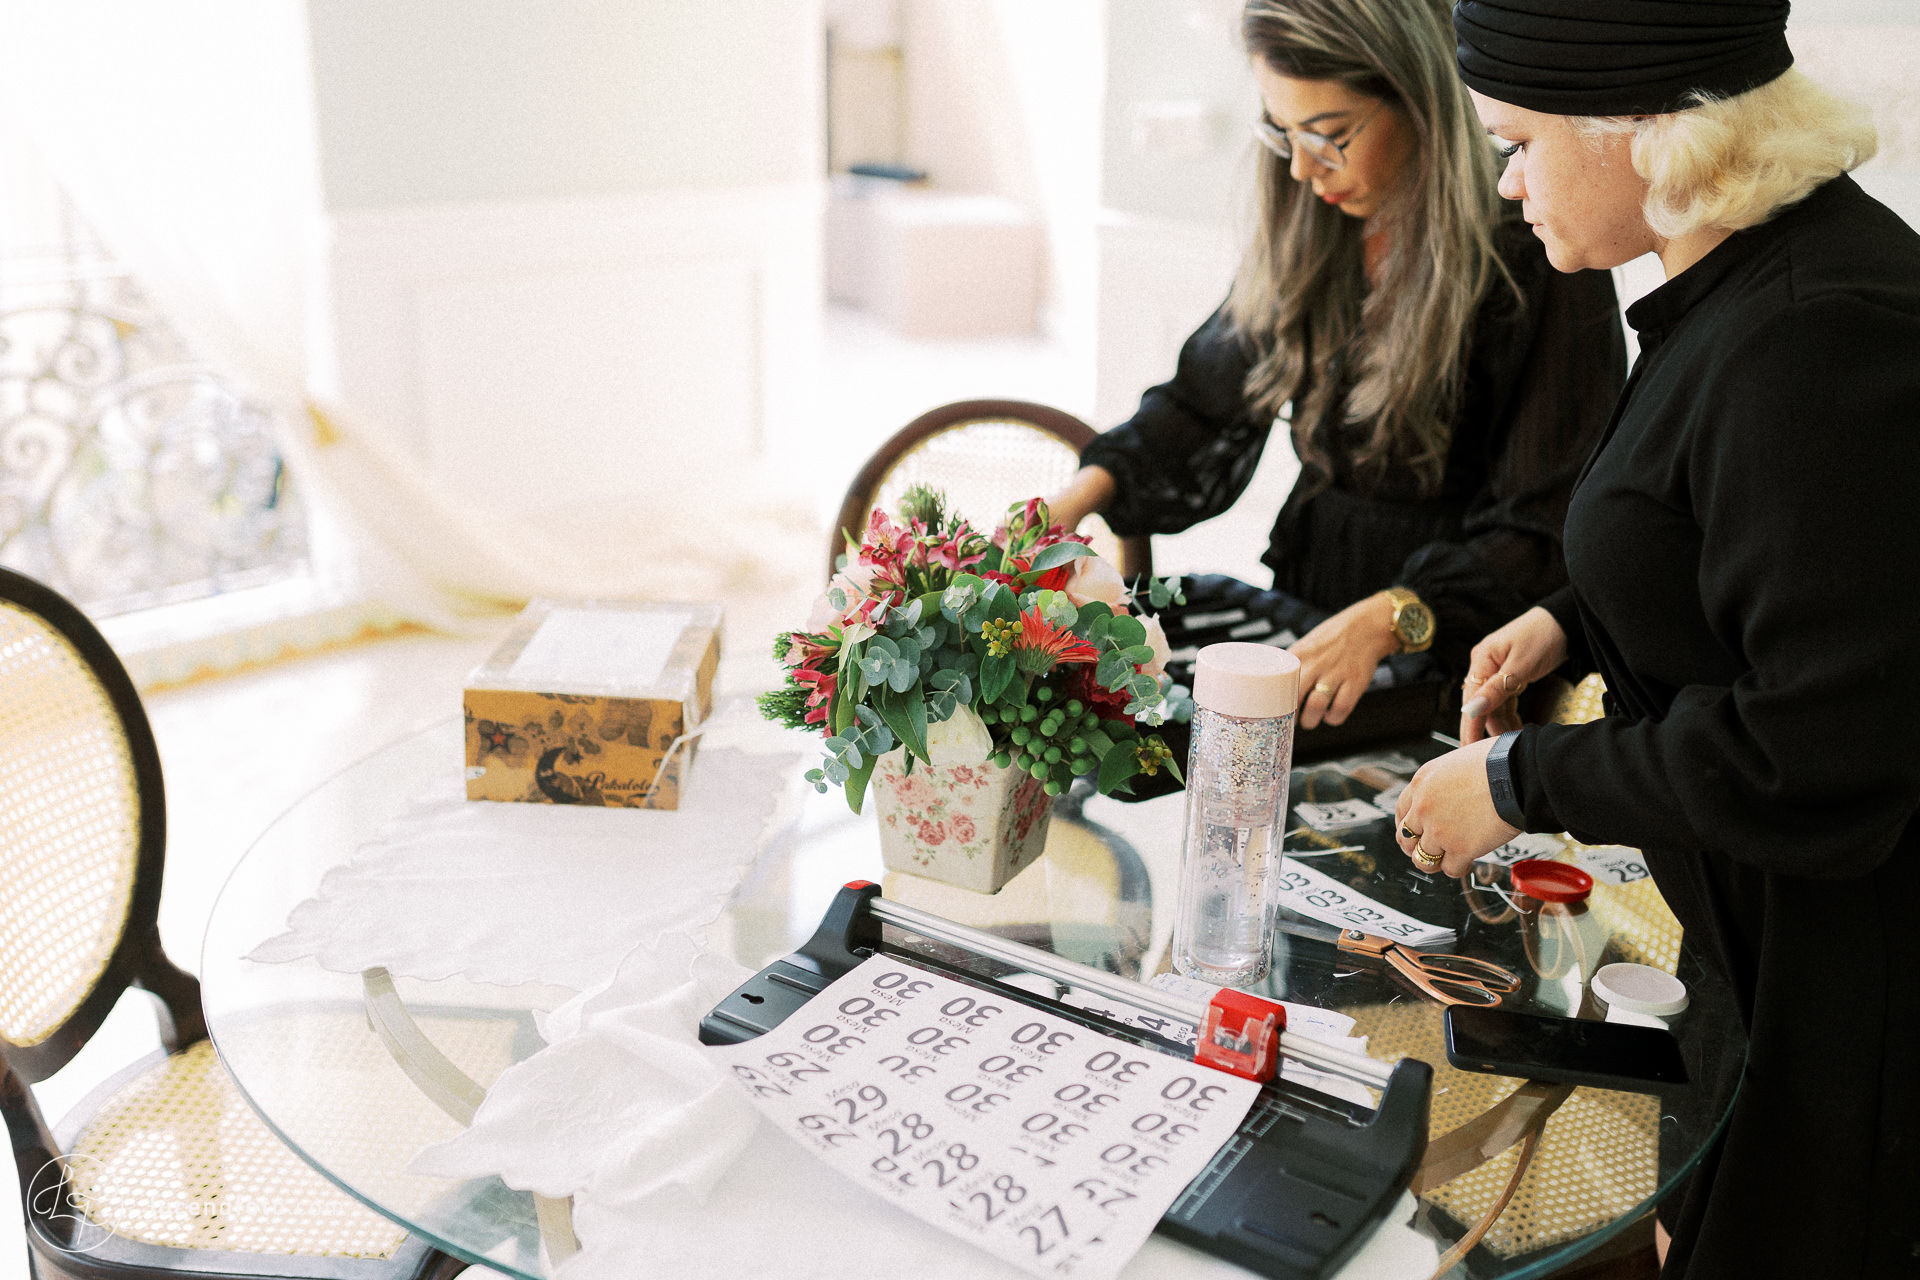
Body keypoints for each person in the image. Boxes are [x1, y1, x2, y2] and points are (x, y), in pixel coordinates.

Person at [1392, 1, 1920, 1273]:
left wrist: (1518, 784)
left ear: (1642, 128)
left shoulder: (1816, 330)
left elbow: (1816, 742)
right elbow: (1742, 546)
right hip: (1750, 931)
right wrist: (1568, 617)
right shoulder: (1735, 276)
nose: (1506, 183)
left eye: (1518, 143)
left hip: (1844, 985)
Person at [1047, 0, 1624, 750]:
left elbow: (1547, 524)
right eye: (1282, 132)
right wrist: (1066, 508)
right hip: (1313, 602)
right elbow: (1202, 407)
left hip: (1458, 650)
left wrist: (1395, 617)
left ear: (1420, 98)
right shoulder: (1314, 224)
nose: (1301, 167)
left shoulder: (1528, 248)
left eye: (1329, 135)